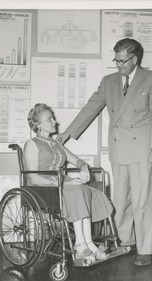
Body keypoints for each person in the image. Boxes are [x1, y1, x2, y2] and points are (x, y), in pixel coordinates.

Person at [56, 38, 152, 266]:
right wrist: (68, 133)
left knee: (142, 201)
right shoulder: (108, 82)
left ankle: (145, 249)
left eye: (122, 61)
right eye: (115, 60)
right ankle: (126, 241)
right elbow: (91, 107)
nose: (118, 65)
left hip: (142, 150)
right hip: (119, 149)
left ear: (134, 59)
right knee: (120, 199)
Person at [24, 103, 113, 262]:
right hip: (43, 187)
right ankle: (80, 245)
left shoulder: (56, 144)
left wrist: (84, 167)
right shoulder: (32, 144)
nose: (54, 121)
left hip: (62, 183)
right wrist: (63, 183)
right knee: (77, 189)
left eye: (53, 117)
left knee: (85, 190)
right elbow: (33, 178)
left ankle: (89, 243)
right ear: (38, 125)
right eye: (49, 119)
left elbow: (77, 161)